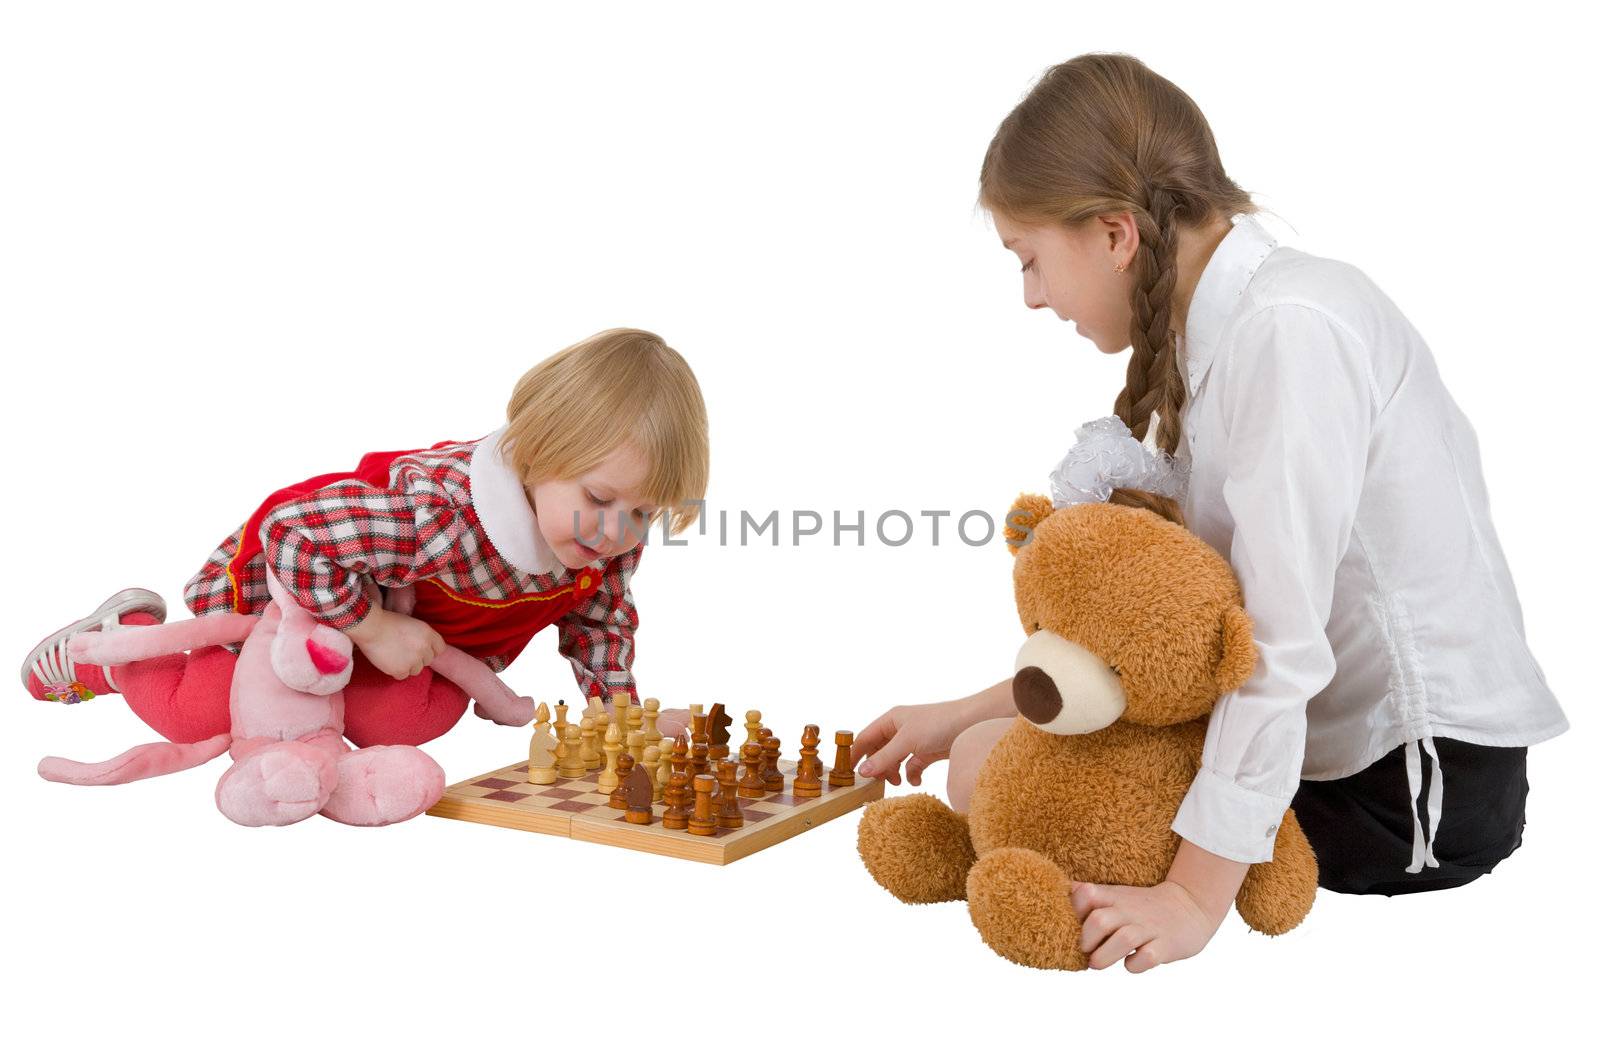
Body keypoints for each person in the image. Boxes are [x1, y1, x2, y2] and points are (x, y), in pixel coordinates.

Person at [851, 53, 1567, 972]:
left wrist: (1193, 894)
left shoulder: (1289, 332)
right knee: (985, 751)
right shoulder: (1225, 330)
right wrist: (965, 707)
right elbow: (1162, 638)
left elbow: (1273, 645)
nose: (1032, 296)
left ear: (1115, 234)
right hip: (1330, 756)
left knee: (992, 771)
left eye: (1029, 260)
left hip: (1410, 793)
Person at [22, 327, 708, 748]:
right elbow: (291, 537)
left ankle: (325, 707)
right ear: (533, 455)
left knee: (415, 718)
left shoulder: (605, 540)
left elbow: (600, 623)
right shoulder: (438, 515)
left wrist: (624, 719)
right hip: (290, 593)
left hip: (387, 634)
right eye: (598, 498)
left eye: (645, 513)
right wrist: (372, 625)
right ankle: (115, 648)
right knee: (202, 712)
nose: (617, 531)